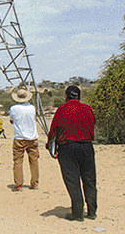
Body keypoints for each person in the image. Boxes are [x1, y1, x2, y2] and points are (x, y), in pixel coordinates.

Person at [46, 86, 97, 222]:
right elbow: (93, 123)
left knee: (72, 181)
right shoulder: (87, 109)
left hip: (67, 147)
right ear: (79, 96)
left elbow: (54, 130)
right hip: (86, 146)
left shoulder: (62, 110)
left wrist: (50, 145)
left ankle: (78, 213)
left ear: (66, 96)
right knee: (89, 179)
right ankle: (92, 211)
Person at [9, 88, 40, 191]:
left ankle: (18, 184)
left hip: (19, 138)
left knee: (18, 161)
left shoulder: (13, 108)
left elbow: (11, 120)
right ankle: (34, 183)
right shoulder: (32, 108)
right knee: (34, 161)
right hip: (32, 137)